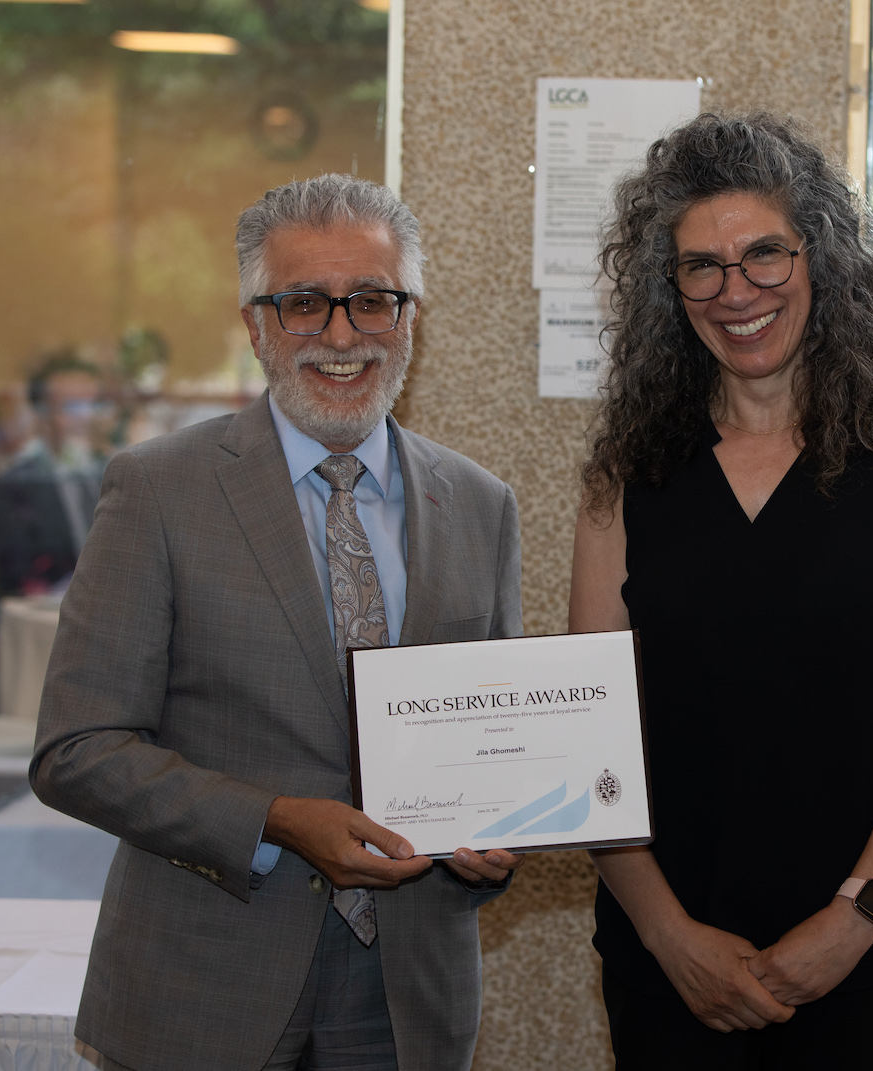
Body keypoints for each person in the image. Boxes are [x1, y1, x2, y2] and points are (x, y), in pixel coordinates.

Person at [30, 173, 525, 1071]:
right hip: (203, 989)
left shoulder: (482, 505)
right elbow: (77, 748)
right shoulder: (158, 490)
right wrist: (277, 818)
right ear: (257, 325)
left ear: (410, 319)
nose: (341, 335)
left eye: (371, 301)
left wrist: (496, 834)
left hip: (408, 1002)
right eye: (305, 303)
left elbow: (497, 739)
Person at [568, 112, 873, 1070]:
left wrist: (855, 917)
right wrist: (670, 935)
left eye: (766, 253)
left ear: (822, 256)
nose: (737, 291)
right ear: (668, 291)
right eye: (701, 267)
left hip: (869, 946)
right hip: (671, 955)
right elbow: (588, 737)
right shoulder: (625, 472)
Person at [0, 351, 111, 593]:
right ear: (42, 415)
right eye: (71, 407)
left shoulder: (119, 477)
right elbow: (20, 579)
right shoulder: (10, 489)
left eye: (94, 404)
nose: (86, 417)